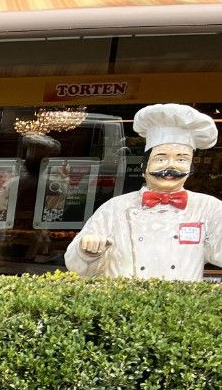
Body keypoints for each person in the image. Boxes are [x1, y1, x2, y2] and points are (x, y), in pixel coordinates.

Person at [65, 103, 222, 280]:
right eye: (161, 158)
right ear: (143, 167)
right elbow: (75, 265)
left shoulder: (208, 208)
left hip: (182, 304)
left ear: (191, 167)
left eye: (182, 160)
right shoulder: (116, 208)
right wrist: (88, 252)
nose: (171, 166)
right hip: (125, 302)